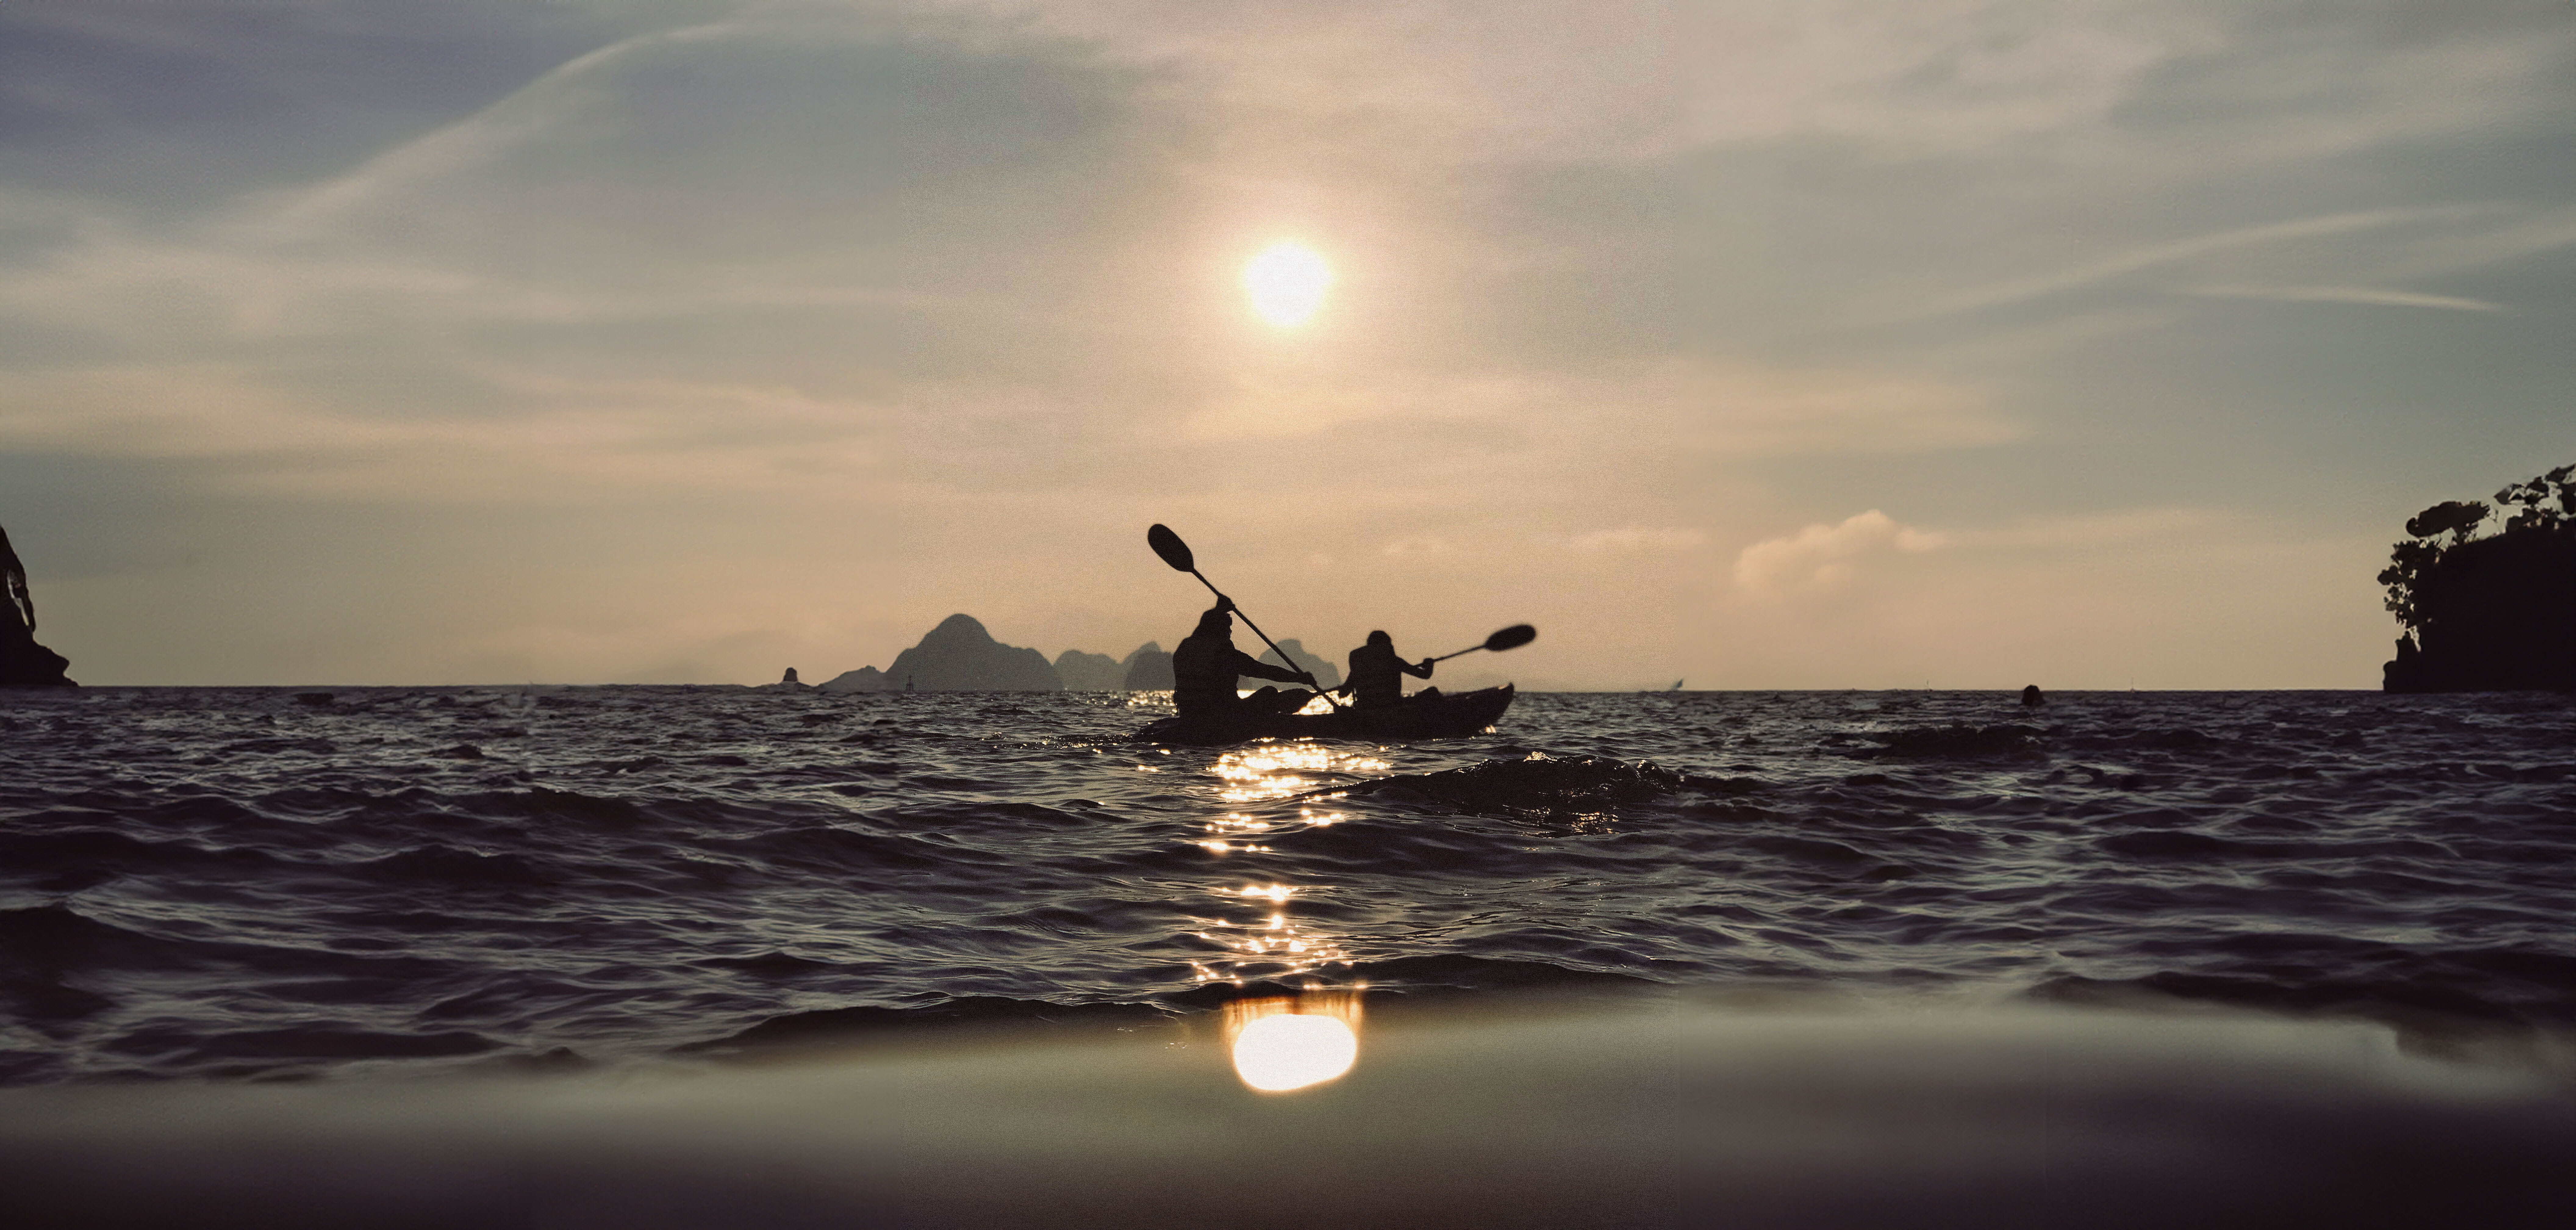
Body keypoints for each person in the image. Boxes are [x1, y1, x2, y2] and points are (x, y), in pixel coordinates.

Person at [1171, 599, 1317, 722]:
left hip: (1190, 715)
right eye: (1227, 628)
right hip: (1225, 716)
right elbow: (1262, 671)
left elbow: (1203, 628)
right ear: (1218, 630)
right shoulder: (1225, 654)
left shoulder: (1186, 649)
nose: (1230, 632)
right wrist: (1299, 678)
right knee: (1269, 692)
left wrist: (1218, 609)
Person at [1336, 630, 1434, 708]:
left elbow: (1343, 694)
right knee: (1432, 693)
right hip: (1391, 707)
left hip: (1365, 707)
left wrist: (1342, 690)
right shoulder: (1395, 661)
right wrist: (1429, 665)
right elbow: (1425, 675)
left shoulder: (1359, 668)